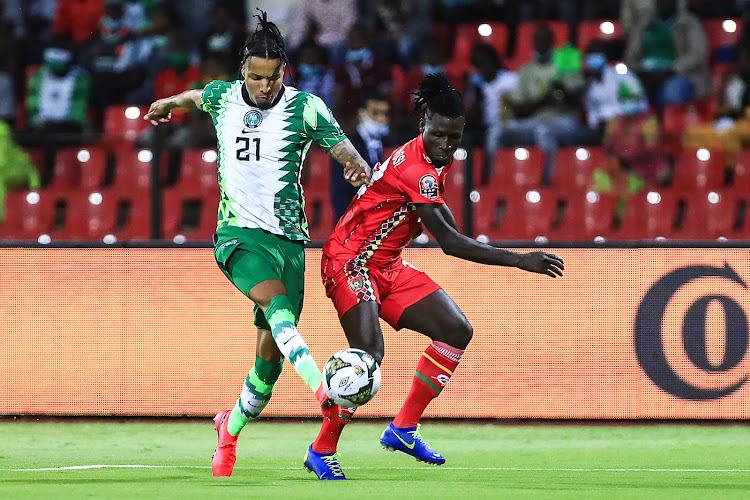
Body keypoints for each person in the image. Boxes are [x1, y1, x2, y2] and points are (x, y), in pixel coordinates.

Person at [143, 9, 372, 478]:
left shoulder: (305, 107)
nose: (263, 86)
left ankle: (229, 429)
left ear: (283, 72)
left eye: (270, 78)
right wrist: (168, 101)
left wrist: (354, 164)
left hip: (288, 243)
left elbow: (341, 144)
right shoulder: (223, 96)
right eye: (254, 76)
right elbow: (195, 96)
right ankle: (323, 394)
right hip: (237, 236)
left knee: (268, 365)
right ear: (242, 69)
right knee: (279, 309)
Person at [304, 73, 564, 480]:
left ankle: (403, 428)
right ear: (423, 125)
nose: (446, 144)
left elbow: (442, 220)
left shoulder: (430, 162)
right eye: (438, 134)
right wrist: (519, 261)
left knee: (456, 330)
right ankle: (322, 448)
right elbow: (451, 242)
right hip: (349, 261)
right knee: (367, 356)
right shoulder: (417, 169)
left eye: (454, 137)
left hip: (386, 264)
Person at [330, 91, 390, 221]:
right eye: (375, 113)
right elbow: (340, 192)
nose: (382, 119)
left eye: (385, 114)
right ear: (361, 114)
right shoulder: (346, 147)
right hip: (353, 223)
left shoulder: (385, 145)